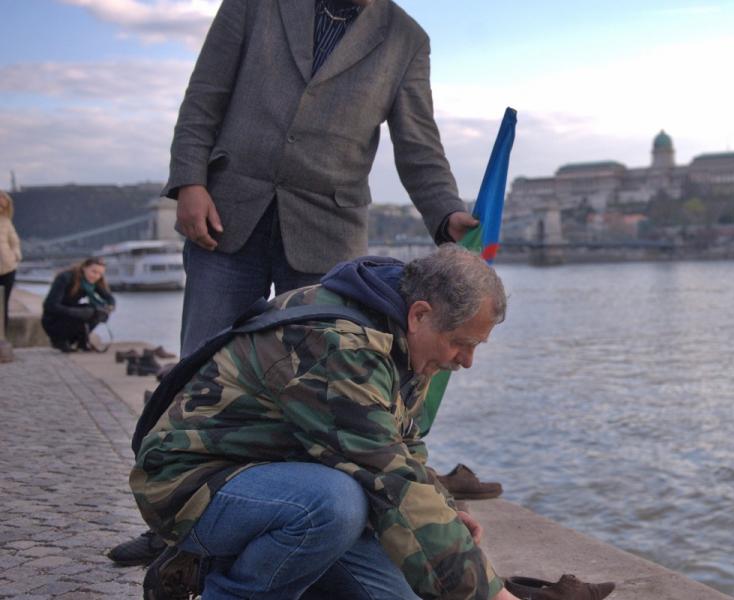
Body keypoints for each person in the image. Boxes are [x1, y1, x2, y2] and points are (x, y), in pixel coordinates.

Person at [131, 246, 522, 600]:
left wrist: (446, 512)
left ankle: (225, 564)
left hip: (282, 479)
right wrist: (492, 595)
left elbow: (403, 449)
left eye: (475, 347)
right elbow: (389, 479)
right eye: (462, 343)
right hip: (193, 483)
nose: (467, 361)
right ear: (420, 314)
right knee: (337, 504)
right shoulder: (341, 348)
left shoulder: (404, 337)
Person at [165, 0, 478, 357]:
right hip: (225, 217)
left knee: (316, 380)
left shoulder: (407, 40)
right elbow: (204, 96)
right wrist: (190, 181)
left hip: (328, 234)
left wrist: (447, 213)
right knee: (203, 368)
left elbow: (419, 147)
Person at [40, 257, 115, 353]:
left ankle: (82, 342)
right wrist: (79, 312)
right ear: (84, 268)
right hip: (54, 320)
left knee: (100, 312)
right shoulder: (65, 277)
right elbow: (50, 305)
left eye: (100, 274)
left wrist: (109, 307)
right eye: (94, 272)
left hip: (69, 314)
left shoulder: (91, 282)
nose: (96, 276)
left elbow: (109, 298)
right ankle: (60, 341)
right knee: (89, 312)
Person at [0, 190, 20, 322]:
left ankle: (1, 337)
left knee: (3, 305)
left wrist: (15, 256)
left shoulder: (6, 222)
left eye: (3, 206)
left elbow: (15, 243)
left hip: (8, 268)